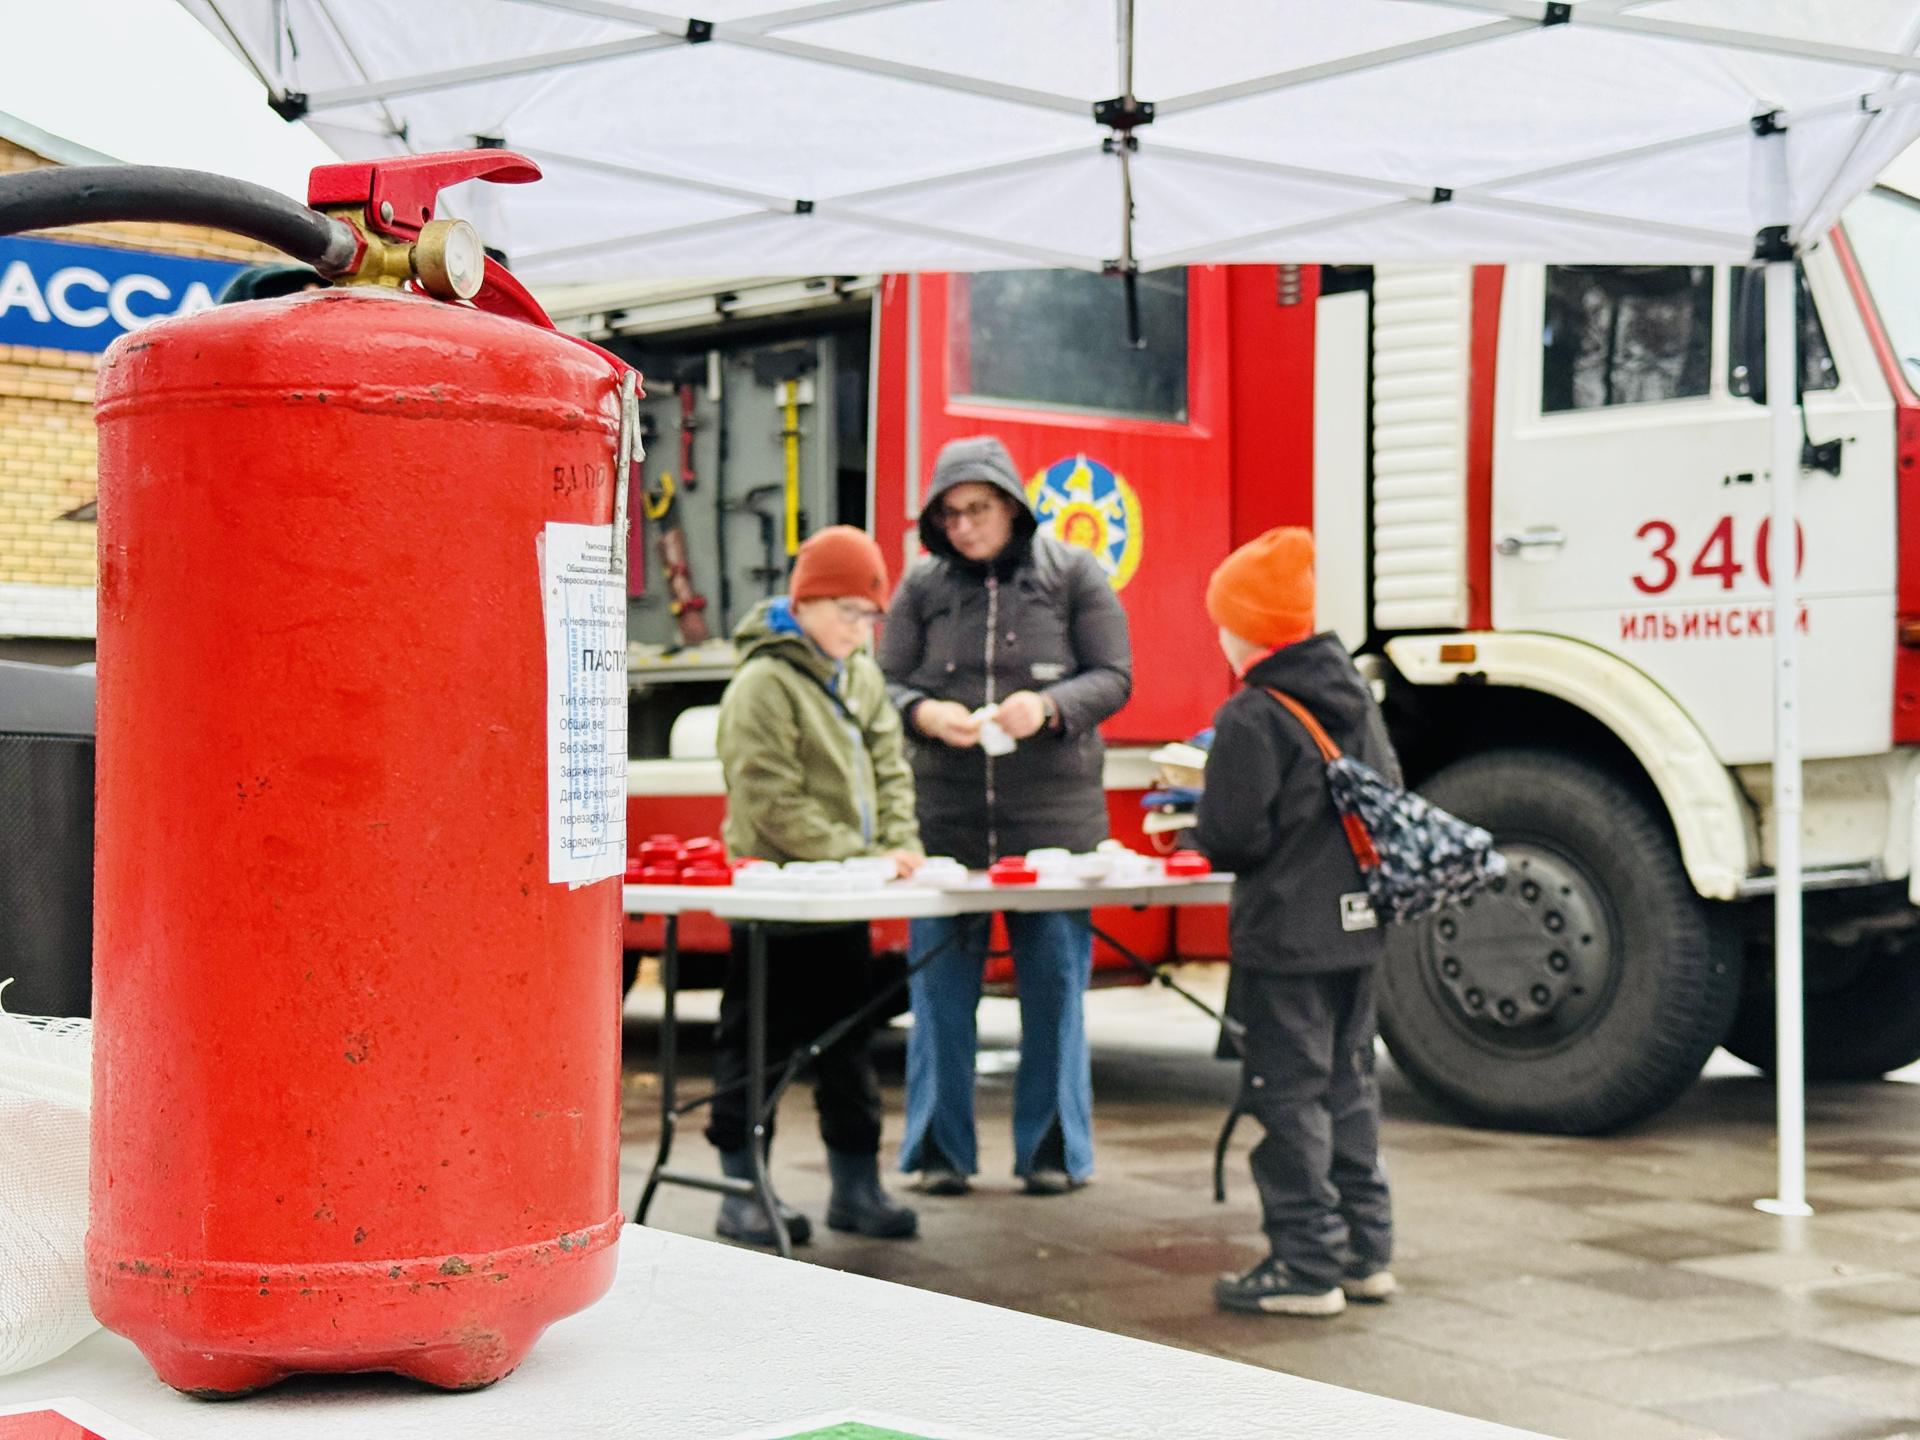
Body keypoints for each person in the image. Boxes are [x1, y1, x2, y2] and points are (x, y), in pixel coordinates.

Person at [879, 436, 1132, 1196]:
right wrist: (924, 714)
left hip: (1055, 827)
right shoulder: (921, 587)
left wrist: (1048, 707)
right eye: (949, 514)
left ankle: (1054, 1153)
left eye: (977, 509)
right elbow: (883, 682)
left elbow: (1115, 677)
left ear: (1012, 505)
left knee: (1054, 989)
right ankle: (937, 1153)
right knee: (939, 994)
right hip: (946, 830)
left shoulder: (1075, 573)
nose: (963, 526)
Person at [1192, 526, 1398, 1317]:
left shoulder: (1252, 714)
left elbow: (1234, 835)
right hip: (1357, 927)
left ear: (1245, 626)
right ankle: (1365, 1250)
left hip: (1286, 936)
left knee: (1286, 1092)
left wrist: (1198, 825)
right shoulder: (1352, 697)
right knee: (1349, 1084)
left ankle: (1306, 1263)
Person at [706, 525, 923, 1248]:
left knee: (849, 1045)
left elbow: (891, 766)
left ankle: (856, 1187)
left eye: (869, 617)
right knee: (755, 1044)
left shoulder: (861, 678)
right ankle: (742, 1188)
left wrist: (901, 844)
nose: (859, 631)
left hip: (842, 901)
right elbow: (770, 800)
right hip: (775, 903)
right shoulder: (761, 684)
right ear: (804, 603)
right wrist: (861, 855)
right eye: (846, 613)